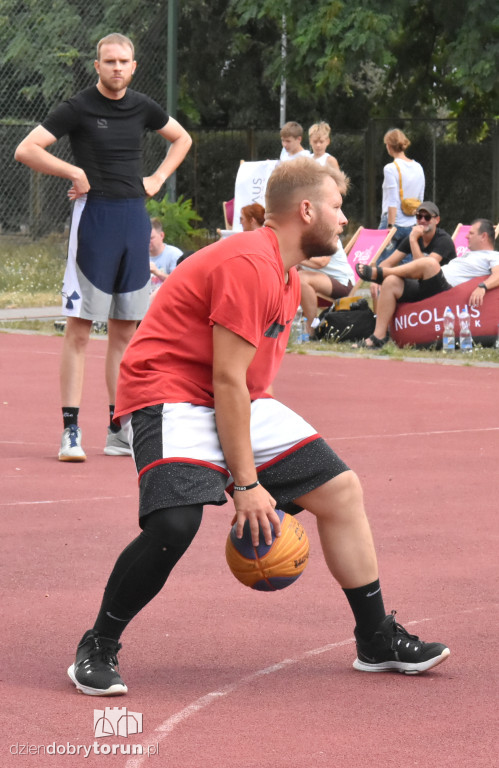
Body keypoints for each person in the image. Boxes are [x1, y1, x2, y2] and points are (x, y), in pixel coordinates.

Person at [66, 158, 449, 697]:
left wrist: (318, 285)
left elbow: (261, 359)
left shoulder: (283, 268)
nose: (344, 222)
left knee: (341, 491)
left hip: (239, 395)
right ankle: (98, 643)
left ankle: (376, 639)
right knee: (175, 526)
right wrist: (246, 487)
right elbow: (225, 380)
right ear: (307, 209)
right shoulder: (249, 263)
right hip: (170, 390)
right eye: (337, 209)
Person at [14, 33, 192, 462]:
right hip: (94, 221)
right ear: (97, 66)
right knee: (79, 329)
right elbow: (26, 149)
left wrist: (157, 179)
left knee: (126, 331)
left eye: (123, 61)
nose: (116, 67)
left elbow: (182, 139)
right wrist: (73, 171)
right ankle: (71, 431)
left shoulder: (144, 106)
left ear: (133, 67)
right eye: (109, 61)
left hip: (134, 219)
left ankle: (119, 428)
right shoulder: (78, 107)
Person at [356, 218, 498, 348]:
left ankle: (381, 273)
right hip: (430, 286)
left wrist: (483, 287)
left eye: (471, 233)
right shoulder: (468, 255)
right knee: (391, 282)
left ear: (483, 236)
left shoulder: (493, 256)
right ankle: (377, 337)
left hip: (446, 292)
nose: (467, 236)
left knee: (430, 263)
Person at [379, 129, 425, 260]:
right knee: (407, 268)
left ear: (388, 145)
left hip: (394, 223)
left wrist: (389, 227)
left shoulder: (390, 168)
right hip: (412, 224)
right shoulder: (418, 167)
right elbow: (420, 198)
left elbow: (392, 201)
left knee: (382, 266)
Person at [298, 240, 355, 337]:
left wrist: (294, 256)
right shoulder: (300, 235)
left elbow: (322, 262)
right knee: (293, 276)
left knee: (301, 279)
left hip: (342, 284)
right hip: (320, 281)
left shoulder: (329, 235)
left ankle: (311, 329)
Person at [149, 217, 183, 295]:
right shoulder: (139, 257)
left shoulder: (175, 255)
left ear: (161, 235)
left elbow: (179, 283)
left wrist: (157, 273)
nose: (147, 241)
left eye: (151, 238)